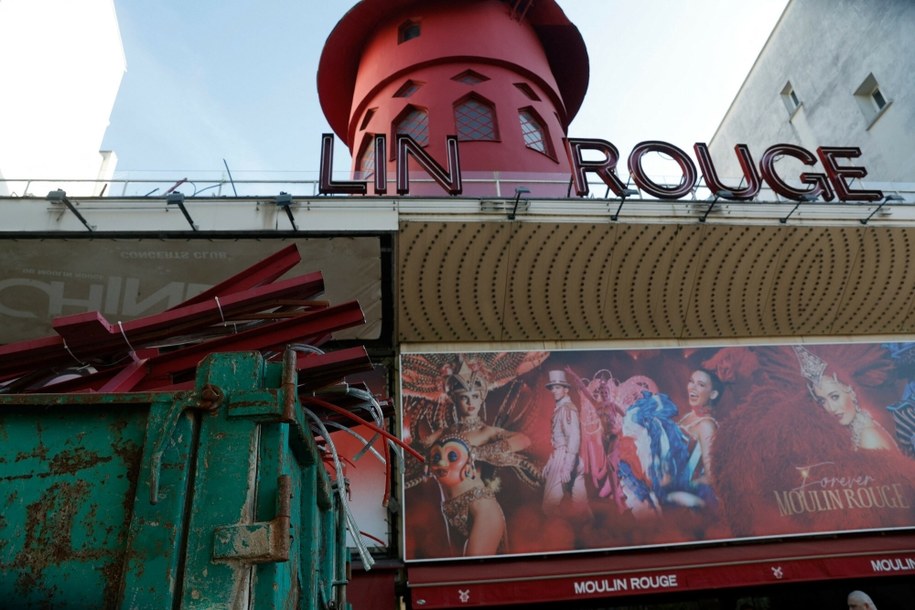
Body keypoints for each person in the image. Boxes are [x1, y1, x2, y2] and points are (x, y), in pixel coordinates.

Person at [793, 346, 898, 451]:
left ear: (852, 393)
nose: (831, 408)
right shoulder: (859, 429)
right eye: (822, 401)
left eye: (835, 397)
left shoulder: (868, 437)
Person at [428, 432, 507, 556]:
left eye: (453, 456)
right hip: (450, 510)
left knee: (473, 568)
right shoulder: (438, 436)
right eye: (436, 458)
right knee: (457, 566)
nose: (441, 463)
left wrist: (480, 452)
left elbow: (523, 440)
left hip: (481, 508)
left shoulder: (482, 431)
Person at [542, 369, 592, 519]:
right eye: (552, 388)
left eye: (558, 387)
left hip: (565, 457)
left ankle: (556, 536)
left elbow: (574, 438)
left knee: (549, 505)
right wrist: (550, 461)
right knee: (581, 504)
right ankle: (593, 533)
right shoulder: (561, 408)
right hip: (569, 457)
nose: (554, 391)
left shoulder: (566, 409)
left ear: (566, 389)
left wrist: (566, 466)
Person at [678, 368, 723, 485]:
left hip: (684, 496)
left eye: (701, 385)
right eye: (691, 381)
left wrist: (679, 488)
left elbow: (712, 477)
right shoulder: (687, 416)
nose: (692, 387)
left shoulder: (707, 425)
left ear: (713, 394)